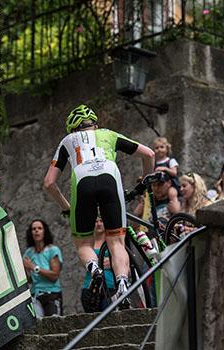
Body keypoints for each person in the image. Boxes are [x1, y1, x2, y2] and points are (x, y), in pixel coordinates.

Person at [43, 104, 155, 304]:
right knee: (117, 241)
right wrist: (143, 186)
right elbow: (149, 154)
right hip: (109, 176)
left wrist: (67, 208)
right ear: (94, 124)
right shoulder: (109, 134)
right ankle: (122, 284)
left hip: (82, 180)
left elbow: (49, 183)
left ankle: (95, 269)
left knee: (84, 243)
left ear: (73, 127)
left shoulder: (67, 141)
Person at [23, 219, 63, 317]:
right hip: (35, 295)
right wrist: (25, 270)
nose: (36, 231)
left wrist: (33, 267)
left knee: (54, 324)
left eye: (39, 228)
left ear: (45, 231)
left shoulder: (52, 250)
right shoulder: (29, 252)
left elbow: (54, 276)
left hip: (52, 295)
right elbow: (29, 280)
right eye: (34, 229)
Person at [80, 216, 115, 312]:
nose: (98, 224)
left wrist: (111, 262)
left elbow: (125, 267)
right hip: (90, 287)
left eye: (101, 221)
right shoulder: (88, 243)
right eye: (95, 221)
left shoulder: (113, 242)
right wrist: (104, 262)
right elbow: (83, 262)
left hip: (110, 286)